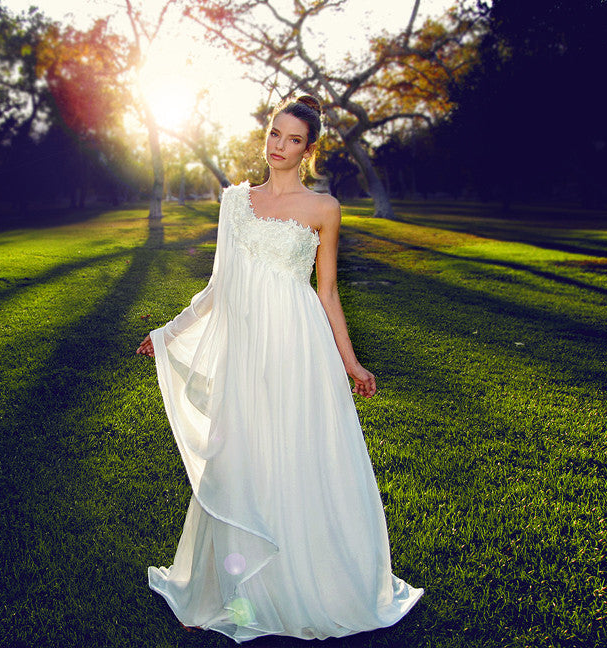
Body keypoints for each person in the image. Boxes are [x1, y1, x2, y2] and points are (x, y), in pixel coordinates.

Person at [136, 95, 423, 643]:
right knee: (238, 456)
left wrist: (351, 360)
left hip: (299, 348)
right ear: (265, 135)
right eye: (274, 134)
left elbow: (329, 291)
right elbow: (218, 287)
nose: (279, 148)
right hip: (246, 350)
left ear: (308, 150)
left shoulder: (324, 208)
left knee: (297, 457)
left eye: (293, 140)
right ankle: (216, 590)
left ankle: (310, 585)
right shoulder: (235, 201)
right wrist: (168, 331)